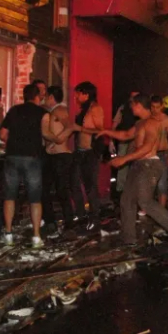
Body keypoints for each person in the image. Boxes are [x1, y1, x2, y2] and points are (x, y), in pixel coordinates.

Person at [96, 94, 168, 246]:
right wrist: (107, 132)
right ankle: (128, 238)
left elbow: (147, 147)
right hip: (138, 165)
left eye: (132, 104)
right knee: (127, 201)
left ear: (139, 105)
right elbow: (126, 135)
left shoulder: (152, 123)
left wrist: (124, 159)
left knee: (145, 202)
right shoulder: (140, 123)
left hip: (149, 165)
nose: (131, 107)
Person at [0, 84, 47, 248]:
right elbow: (47, 134)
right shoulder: (42, 113)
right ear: (37, 96)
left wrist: (14, 142)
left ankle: (8, 234)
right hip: (32, 157)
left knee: (9, 197)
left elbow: (2, 134)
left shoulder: (14, 110)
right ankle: (36, 236)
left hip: (12, 156)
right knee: (35, 199)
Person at [41, 86, 78, 233]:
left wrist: (58, 139)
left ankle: (69, 221)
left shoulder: (60, 110)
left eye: (46, 97)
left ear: (51, 97)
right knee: (47, 189)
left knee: (61, 190)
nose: (44, 100)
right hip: (53, 156)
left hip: (61, 156)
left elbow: (70, 126)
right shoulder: (52, 112)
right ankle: (52, 221)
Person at [72, 81, 105, 231]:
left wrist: (80, 128)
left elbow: (99, 131)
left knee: (90, 186)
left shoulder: (95, 108)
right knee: (74, 182)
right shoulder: (83, 109)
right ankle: (80, 213)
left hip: (90, 152)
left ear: (86, 94)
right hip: (79, 150)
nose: (76, 97)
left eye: (78, 93)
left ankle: (94, 217)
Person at [150, 95, 168, 207]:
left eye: (157, 107)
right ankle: (147, 209)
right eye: (153, 107)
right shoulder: (147, 119)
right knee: (148, 184)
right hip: (148, 154)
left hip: (161, 154)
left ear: (162, 106)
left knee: (162, 184)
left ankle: (161, 210)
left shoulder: (166, 120)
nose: (155, 110)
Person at [110, 92, 140, 197]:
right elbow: (115, 124)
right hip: (124, 140)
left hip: (137, 141)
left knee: (137, 164)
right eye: (132, 96)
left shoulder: (143, 110)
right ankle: (120, 189)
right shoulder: (123, 108)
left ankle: (134, 189)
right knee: (122, 164)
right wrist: (111, 141)